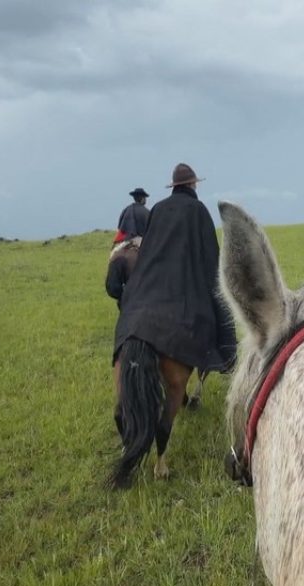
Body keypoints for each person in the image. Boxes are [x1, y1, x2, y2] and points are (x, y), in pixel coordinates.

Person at [111, 163, 237, 463]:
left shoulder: (157, 210)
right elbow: (210, 258)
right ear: (193, 185)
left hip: (152, 284)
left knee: (129, 307)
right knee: (214, 313)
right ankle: (227, 355)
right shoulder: (200, 212)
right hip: (182, 288)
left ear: (173, 186)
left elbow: (149, 251)